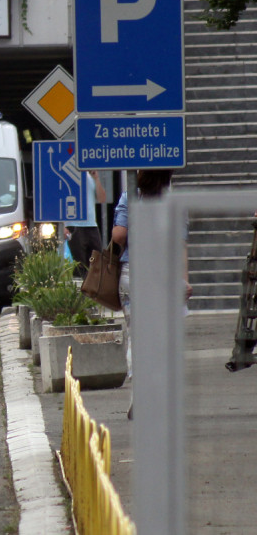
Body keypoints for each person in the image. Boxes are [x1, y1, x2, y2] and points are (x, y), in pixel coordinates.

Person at [112, 169, 192, 419]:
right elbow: (180, 246)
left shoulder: (129, 197)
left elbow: (119, 236)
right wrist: (184, 281)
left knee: (137, 333)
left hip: (131, 272)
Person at [66, 169, 107, 277]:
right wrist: (62, 225)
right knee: (79, 265)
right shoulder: (69, 174)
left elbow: (102, 198)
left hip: (91, 225)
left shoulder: (90, 177)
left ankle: (94, 289)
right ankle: (79, 290)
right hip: (74, 225)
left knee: (97, 261)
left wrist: (96, 179)